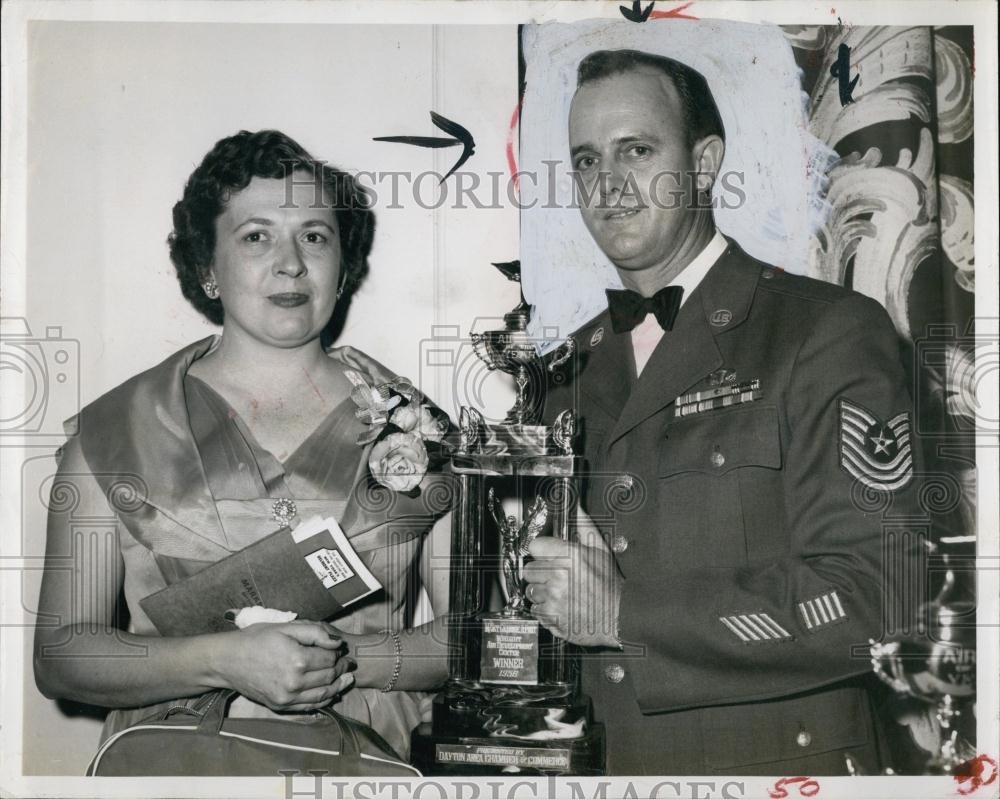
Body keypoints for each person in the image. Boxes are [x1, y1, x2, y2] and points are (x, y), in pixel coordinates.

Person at [524, 50, 922, 775]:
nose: (606, 185)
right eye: (585, 161)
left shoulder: (825, 329)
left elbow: (878, 594)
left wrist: (622, 618)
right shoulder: (562, 373)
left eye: (636, 151)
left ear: (705, 163)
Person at [33, 129, 450, 764]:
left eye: (315, 236)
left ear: (344, 266)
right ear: (207, 266)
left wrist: (337, 661)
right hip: (176, 763)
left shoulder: (421, 431)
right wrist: (223, 660)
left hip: (364, 763)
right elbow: (62, 656)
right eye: (256, 236)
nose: (291, 263)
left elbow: (477, 637)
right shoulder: (112, 433)